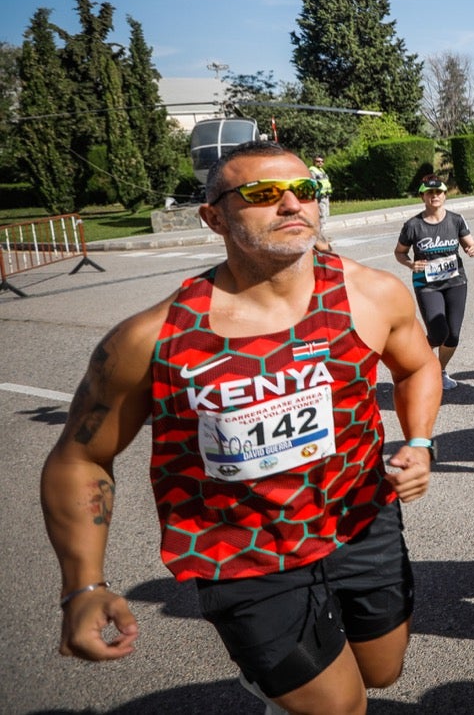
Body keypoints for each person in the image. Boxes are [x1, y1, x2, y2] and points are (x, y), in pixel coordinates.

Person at [41, 140, 441, 714]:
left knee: (383, 670)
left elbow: (419, 365)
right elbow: (78, 458)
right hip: (245, 552)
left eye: (305, 191)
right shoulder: (153, 339)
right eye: (261, 194)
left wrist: (420, 443)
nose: (291, 205)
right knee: (339, 707)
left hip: (360, 519)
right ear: (214, 216)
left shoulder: (372, 294)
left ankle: (283, 676)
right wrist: (82, 585)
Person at [394, 175, 474, 391]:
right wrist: (410, 265)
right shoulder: (413, 225)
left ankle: (437, 371)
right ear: (423, 196)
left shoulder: (456, 220)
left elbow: (469, 242)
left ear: (444, 195)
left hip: (456, 282)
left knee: (453, 335)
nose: (434, 196)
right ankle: (414, 358)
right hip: (427, 285)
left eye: (438, 192)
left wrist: (472, 249)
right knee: (437, 333)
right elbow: (400, 252)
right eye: (430, 193)